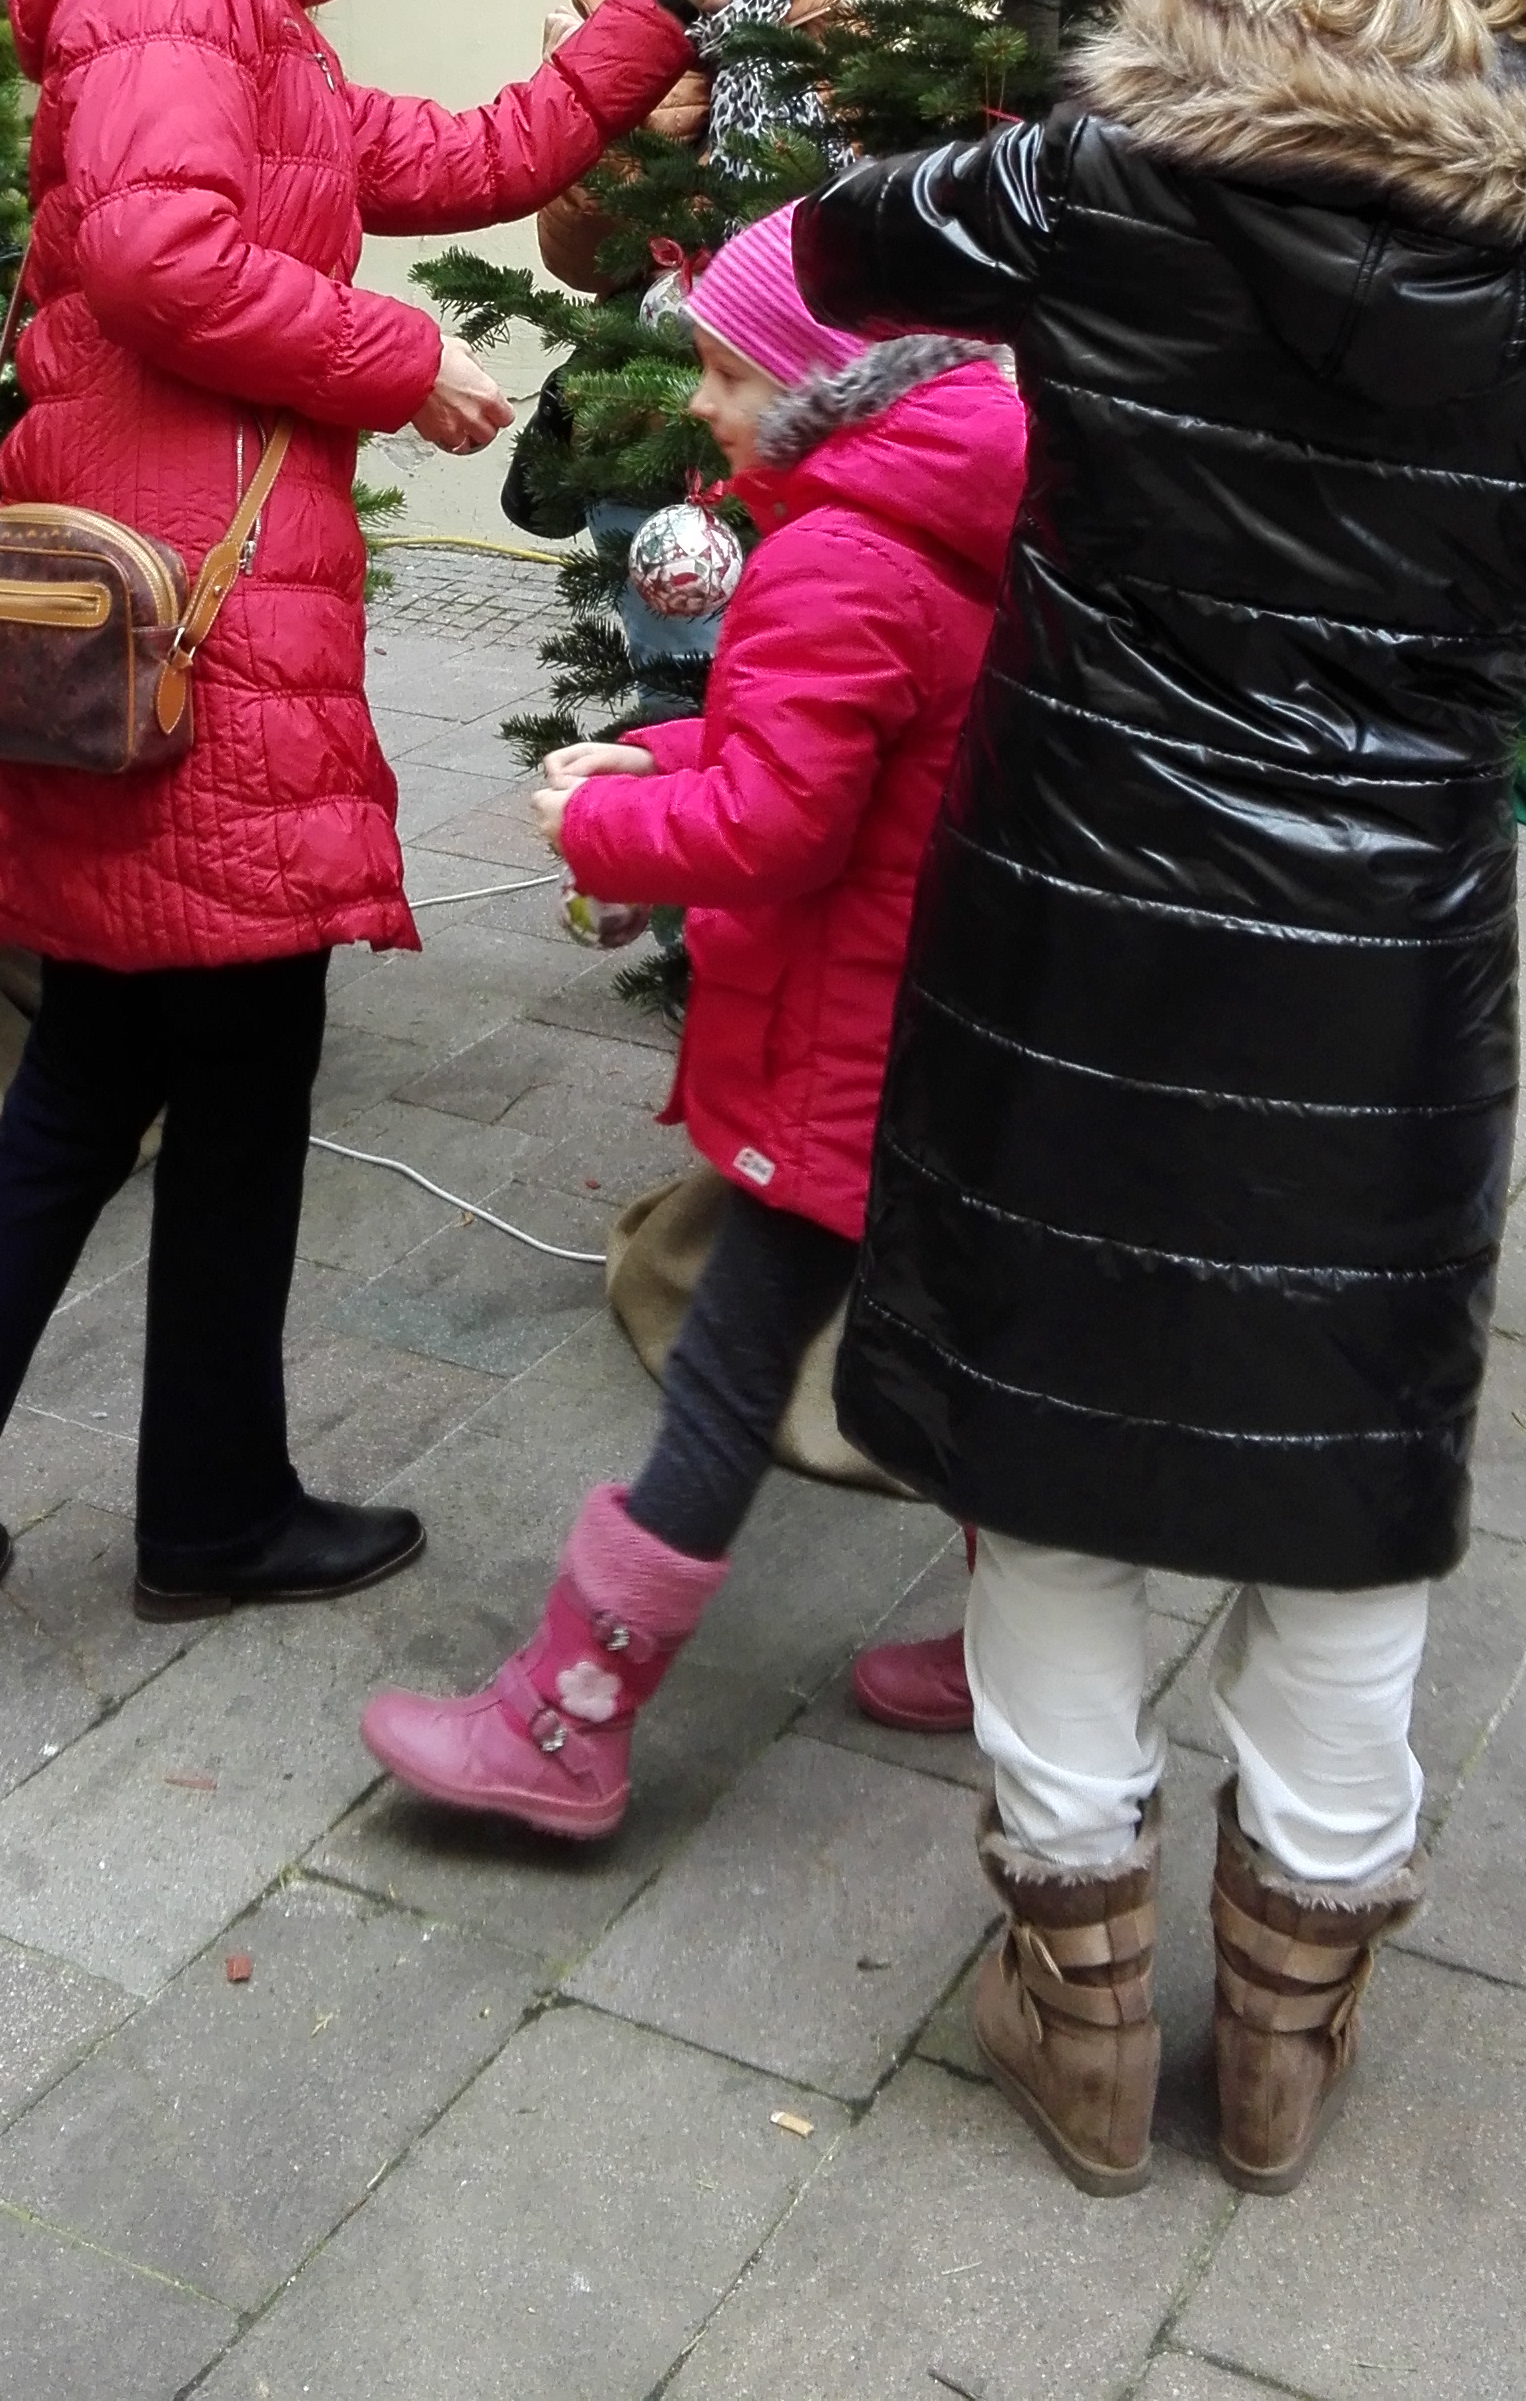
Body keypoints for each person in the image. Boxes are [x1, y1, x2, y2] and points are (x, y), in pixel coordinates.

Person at [795, 0, 1526, 2199]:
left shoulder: (1094, 188)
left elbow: (833, 245)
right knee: (1341, 1475)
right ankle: (1293, 2027)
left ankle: (1080, 1998)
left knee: (1051, 1452)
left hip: (1075, 929)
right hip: (1380, 967)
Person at [0, 0, 791, 1694]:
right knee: (214, 1089)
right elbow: (158, 254)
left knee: (104, 1094)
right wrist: (394, 361)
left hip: (149, 621)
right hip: (199, 634)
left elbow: (470, 154)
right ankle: (199, 1519)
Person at [356, 203, 1027, 1835]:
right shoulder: (945, 523)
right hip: (945, 1034)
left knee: (729, 1376)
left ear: (825, 383)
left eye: (729, 373)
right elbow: (828, 740)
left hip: (843, 1052)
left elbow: (779, 823)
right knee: (975, 1359)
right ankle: (1030, 1661)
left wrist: (602, 825)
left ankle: (566, 1723)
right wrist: (657, 750)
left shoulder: (839, 555)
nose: (704, 406)